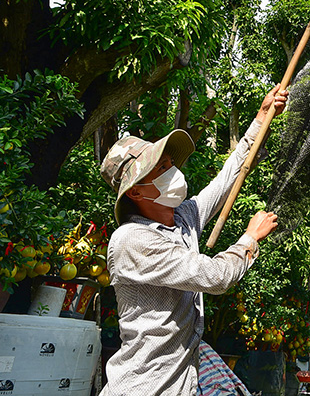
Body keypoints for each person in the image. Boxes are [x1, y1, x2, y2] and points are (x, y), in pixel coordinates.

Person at [98, 85, 288, 396]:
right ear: (136, 192)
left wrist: (262, 117)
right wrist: (250, 238)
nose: (172, 170)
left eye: (169, 163)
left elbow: (229, 177)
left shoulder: (183, 219)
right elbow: (215, 276)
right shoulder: (132, 240)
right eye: (160, 168)